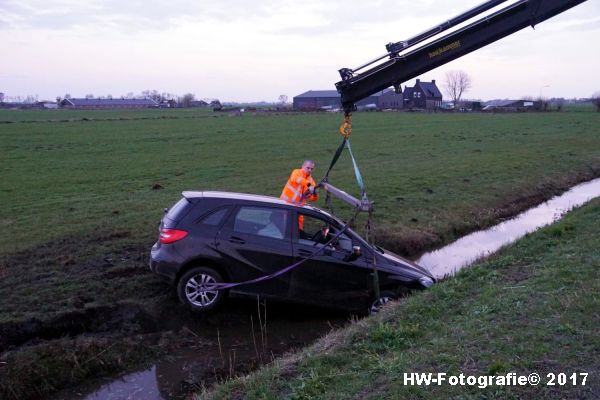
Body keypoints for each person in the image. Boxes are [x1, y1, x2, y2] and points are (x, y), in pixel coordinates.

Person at [281, 160, 319, 230]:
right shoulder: (296, 172)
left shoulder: (311, 181)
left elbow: (313, 199)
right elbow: (295, 179)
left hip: (298, 209)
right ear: (303, 166)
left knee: (298, 230)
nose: (310, 170)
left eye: (311, 169)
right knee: (284, 227)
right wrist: (308, 185)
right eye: (308, 168)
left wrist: (315, 194)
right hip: (286, 205)